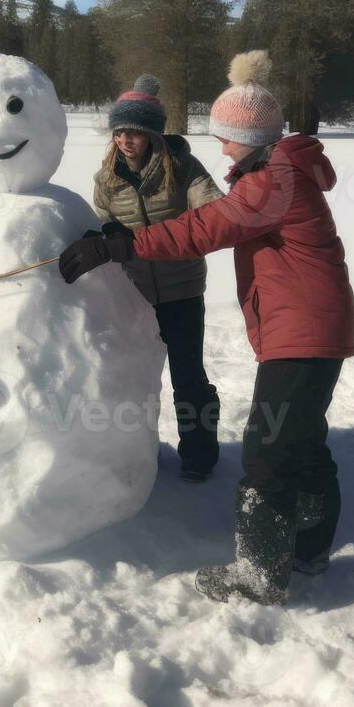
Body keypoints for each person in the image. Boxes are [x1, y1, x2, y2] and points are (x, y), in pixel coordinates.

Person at [60, 51, 354, 605]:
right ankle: (309, 548)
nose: (219, 147)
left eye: (225, 137)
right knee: (302, 442)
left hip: (303, 329)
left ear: (248, 134)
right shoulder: (277, 171)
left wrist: (121, 244)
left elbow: (202, 227)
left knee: (268, 450)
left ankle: (261, 574)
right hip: (307, 325)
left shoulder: (273, 181)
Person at [91, 75, 225, 481]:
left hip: (182, 289)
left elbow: (211, 206)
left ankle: (199, 456)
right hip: (134, 294)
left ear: (152, 133)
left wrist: (214, 212)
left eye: (135, 131)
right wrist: (107, 236)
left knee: (188, 378)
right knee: (131, 377)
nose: (126, 140)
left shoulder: (181, 167)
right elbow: (102, 221)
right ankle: (134, 457)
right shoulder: (107, 178)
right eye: (119, 131)